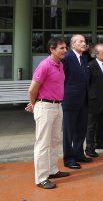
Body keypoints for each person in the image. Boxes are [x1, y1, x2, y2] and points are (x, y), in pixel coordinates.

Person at [26, 37, 70, 189]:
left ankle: (52, 170)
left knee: (55, 140)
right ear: (52, 49)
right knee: (43, 144)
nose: (65, 50)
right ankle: (41, 178)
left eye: (65, 48)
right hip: (45, 107)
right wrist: (35, 104)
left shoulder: (60, 65)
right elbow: (32, 90)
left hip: (58, 106)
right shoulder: (44, 65)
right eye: (61, 48)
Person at [62, 34, 91, 170]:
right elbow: (61, 78)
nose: (83, 43)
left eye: (84, 41)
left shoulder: (84, 58)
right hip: (70, 100)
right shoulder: (67, 58)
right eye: (80, 41)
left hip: (83, 100)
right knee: (69, 131)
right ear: (73, 44)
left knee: (81, 129)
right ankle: (69, 159)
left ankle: (79, 154)